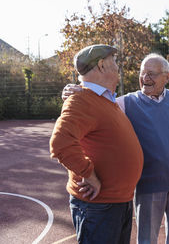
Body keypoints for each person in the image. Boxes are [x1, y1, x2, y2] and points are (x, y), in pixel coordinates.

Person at [63, 53, 169, 244]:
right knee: (147, 239)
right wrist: (75, 91)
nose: (145, 78)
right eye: (143, 73)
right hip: (148, 185)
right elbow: (95, 103)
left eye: (152, 74)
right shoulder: (125, 103)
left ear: (166, 77)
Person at [50, 44, 144, 244]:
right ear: (101, 66)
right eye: (115, 62)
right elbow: (60, 143)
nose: (118, 67)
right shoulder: (81, 100)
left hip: (116, 203)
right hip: (99, 207)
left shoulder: (106, 100)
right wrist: (89, 175)